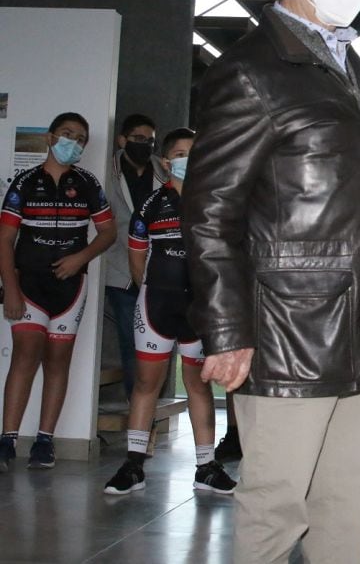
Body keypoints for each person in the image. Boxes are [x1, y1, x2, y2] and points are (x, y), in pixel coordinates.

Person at [182, 0, 360, 564]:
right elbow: (209, 212)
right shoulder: (251, 71)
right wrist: (227, 331)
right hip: (289, 334)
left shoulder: (347, 67)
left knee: (347, 506)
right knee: (275, 508)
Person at [103, 128, 236, 496]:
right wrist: (151, 291)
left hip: (200, 312)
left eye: (193, 152)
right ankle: (132, 466)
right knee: (146, 384)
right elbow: (136, 257)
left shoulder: (218, 202)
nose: (186, 159)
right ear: (166, 162)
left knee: (198, 385)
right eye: (179, 154)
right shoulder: (150, 204)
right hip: (156, 308)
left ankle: (206, 466)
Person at [1, 112, 117, 471]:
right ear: (50, 138)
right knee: (25, 355)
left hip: (71, 286)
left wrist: (80, 257)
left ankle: (45, 442)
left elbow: (108, 232)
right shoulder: (23, 183)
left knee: (57, 362)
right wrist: (11, 289)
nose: (74, 142)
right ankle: (7, 441)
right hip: (29, 285)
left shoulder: (87, 184)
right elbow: (5, 239)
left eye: (81, 138)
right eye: (68, 134)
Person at [103, 113, 167, 400]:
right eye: (138, 139)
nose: (145, 145)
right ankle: (138, 411)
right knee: (132, 343)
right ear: (122, 140)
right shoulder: (106, 171)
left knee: (157, 344)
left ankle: (148, 410)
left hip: (159, 270)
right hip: (120, 270)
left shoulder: (162, 172)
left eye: (150, 141)